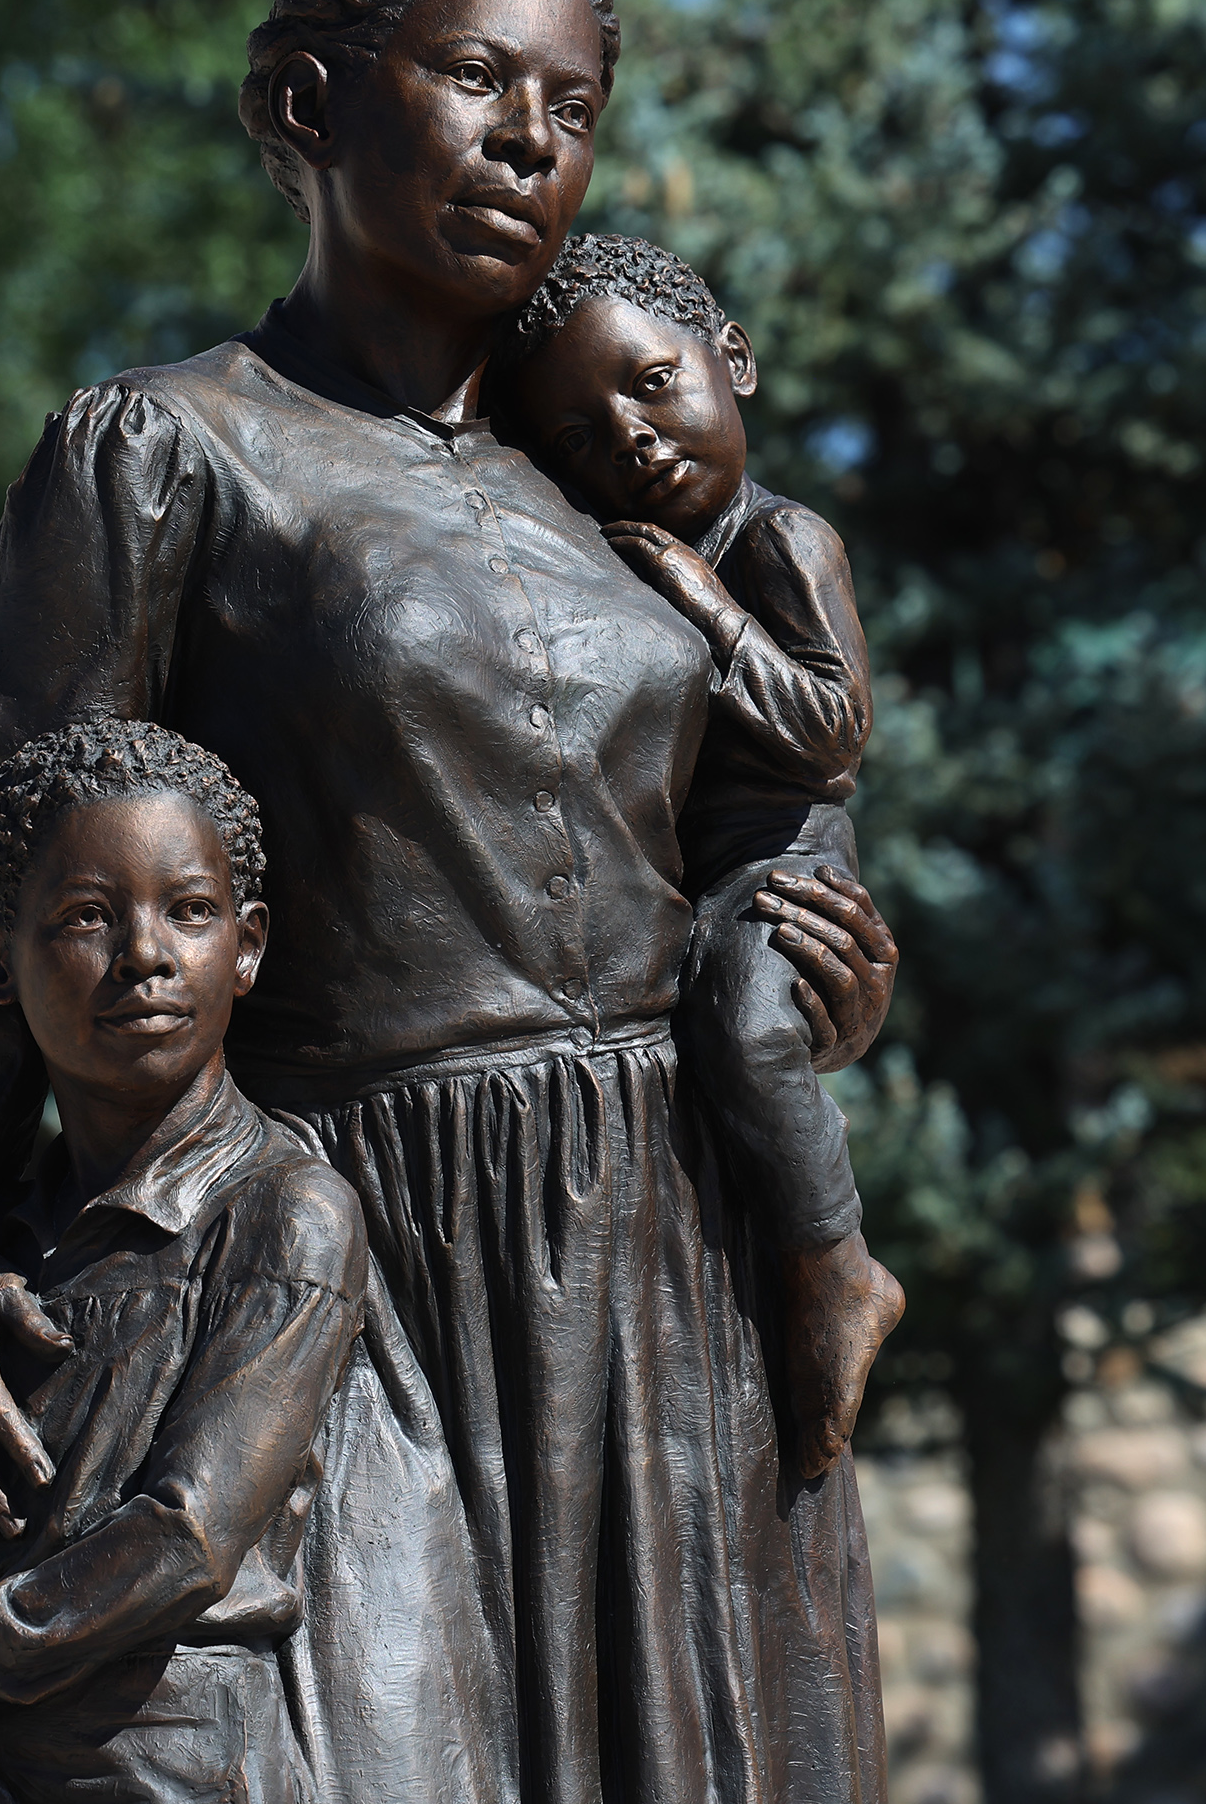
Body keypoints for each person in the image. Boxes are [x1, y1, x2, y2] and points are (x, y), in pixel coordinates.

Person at [0, 0, 902, 1804]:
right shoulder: (169, 454)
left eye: (572, 107)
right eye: (478, 77)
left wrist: (806, 939)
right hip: (358, 1274)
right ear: (310, 106)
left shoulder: (618, 457)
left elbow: (764, 805)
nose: (531, 141)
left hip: (672, 1261)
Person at [0, 721, 367, 1803]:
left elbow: (186, 1535)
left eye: (190, 911)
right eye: (84, 917)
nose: (147, 953)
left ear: (248, 945)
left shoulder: (284, 1214)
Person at [494, 231, 909, 1478]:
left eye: (652, 381)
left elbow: (831, 736)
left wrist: (703, 603)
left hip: (783, 862)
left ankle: (838, 1263)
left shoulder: (780, 543)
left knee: (745, 1015)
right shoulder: (627, 564)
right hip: (694, 882)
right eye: (576, 434)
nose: (627, 433)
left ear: (732, 357)